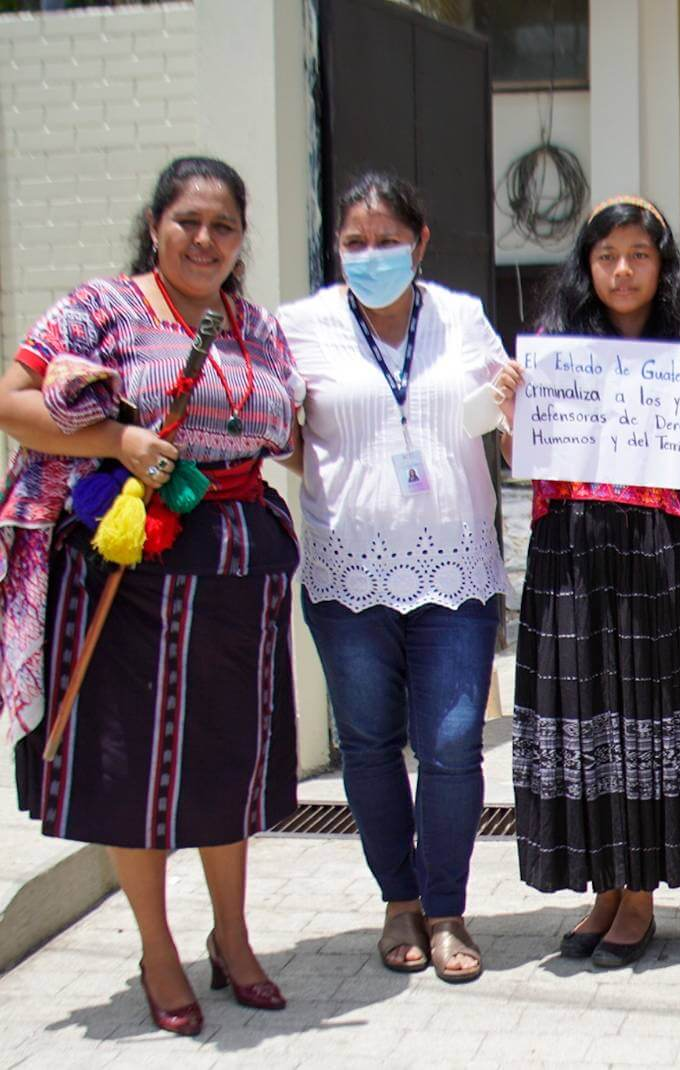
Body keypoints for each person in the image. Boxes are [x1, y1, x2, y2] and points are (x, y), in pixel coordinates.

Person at [0, 156, 299, 1035]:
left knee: (226, 754)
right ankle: (157, 950)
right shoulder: (104, 310)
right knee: (138, 763)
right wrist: (119, 436)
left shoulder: (261, 330)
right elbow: (13, 398)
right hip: (133, 571)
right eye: (188, 221)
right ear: (157, 224)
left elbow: (288, 430)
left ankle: (235, 940)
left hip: (239, 564)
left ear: (241, 240)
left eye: (224, 226)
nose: (205, 240)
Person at [277, 173, 517, 984]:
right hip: (346, 570)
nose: (372, 255)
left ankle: (447, 909)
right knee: (372, 749)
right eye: (355, 241)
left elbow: (506, 416)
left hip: (455, 566)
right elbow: (281, 435)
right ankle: (398, 902)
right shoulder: (299, 326)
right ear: (337, 249)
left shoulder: (462, 317)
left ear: (420, 242)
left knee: (451, 746)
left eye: (387, 239)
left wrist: (518, 401)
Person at [511, 195, 680, 968]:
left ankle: (638, 898)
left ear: (661, 264)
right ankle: (602, 885)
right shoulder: (554, 348)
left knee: (647, 709)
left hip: (653, 550)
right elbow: (525, 451)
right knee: (584, 712)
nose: (623, 269)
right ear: (587, 266)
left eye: (639, 254)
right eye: (607, 256)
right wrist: (514, 407)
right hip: (569, 546)